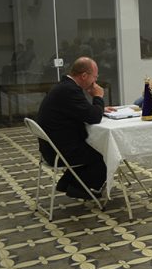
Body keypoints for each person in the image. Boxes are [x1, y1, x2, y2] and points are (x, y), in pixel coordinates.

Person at [36, 57, 108, 199]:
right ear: (84, 76)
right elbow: (93, 117)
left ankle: (66, 182)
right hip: (60, 152)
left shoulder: (65, 86)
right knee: (104, 153)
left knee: (93, 148)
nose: (95, 81)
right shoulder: (70, 90)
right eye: (95, 77)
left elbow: (81, 111)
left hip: (51, 147)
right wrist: (98, 97)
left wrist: (97, 108)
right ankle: (80, 189)